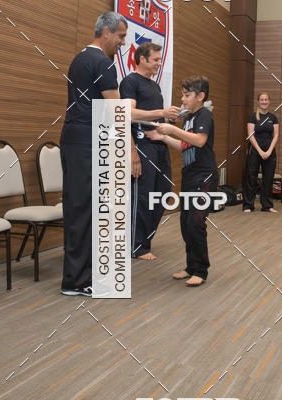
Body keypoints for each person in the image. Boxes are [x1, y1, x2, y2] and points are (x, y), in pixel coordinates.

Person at [60, 12, 135, 297]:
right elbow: (116, 111)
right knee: (84, 211)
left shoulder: (79, 59)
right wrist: (131, 148)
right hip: (86, 143)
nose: (123, 42)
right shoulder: (103, 62)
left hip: (74, 140)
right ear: (106, 32)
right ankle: (75, 282)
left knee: (81, 209)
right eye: (121, 36)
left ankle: (80, 277)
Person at [145, 76, 217, 287]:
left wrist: (173, 130)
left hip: (204, 176)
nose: (182, 99)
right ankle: (191, 267)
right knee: (186, 224)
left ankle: (201, 270)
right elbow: (185, 146)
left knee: (196, 223)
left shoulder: (204, 115)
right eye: (182, 95)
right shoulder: (189, 118)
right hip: (189, 177)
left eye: (187, 95)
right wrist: (163, 138)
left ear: (200, 96)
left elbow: (200, 141)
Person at [119, 42, 181, 260]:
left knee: (162, 193)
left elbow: (155, 117)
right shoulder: (130, 81)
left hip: (159, 146)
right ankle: (136, 246)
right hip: (141, 144)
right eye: (155, 59)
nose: (159, 63)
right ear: (142, 59)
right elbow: (128, 113)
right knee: (143, 197)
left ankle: (145, 240)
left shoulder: (155, 86)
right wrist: (161, 112)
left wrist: (168, 119)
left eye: (160, 59)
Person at [242, 92, 280, 213]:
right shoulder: (253, 117)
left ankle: (267, 205)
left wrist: (269, 151)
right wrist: (260, 151)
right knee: (251, 177)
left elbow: (276, 135)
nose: (264, 102)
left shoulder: (273, 118)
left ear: (269, 101)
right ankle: (248, 205)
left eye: (266, 100)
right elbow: (250, 135)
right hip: (254, 150)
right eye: (262, 100)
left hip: (269, 151)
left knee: (268, 178)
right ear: (258, 102)